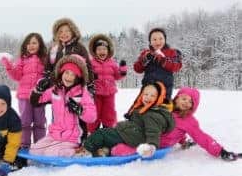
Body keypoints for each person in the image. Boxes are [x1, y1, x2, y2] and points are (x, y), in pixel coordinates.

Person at [111, 87, 240, 161]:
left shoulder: (189, 121)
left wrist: (221, 151)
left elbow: (202, 138)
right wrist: (183, 141)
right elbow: (175, 129)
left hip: (155, 143)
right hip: (144, 132)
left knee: (120, 149)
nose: (186, 103)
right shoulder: (165, 109)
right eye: (184, 99)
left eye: (191, 102)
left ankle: (110, 150)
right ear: (177, 98)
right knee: (120, 130)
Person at [76, 81, 175, 157]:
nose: (148, 97)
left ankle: (86, 150)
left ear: (159, 98)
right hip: (130, 134)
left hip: (129, 136)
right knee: (108, 138)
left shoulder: (153, 115)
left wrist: (152, 146)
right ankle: (104, 151)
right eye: (145, 94)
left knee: (101, 133)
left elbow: (153, 132)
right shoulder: (146, 109)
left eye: (152, 95)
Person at [29, 54, 96, 157]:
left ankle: (79, 152)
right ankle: (57, 148)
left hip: (74, 137)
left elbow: (92, 117)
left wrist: (80, 110)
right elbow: (36, 102)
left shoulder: (82, 93)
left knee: (51, 153)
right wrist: (38, 90)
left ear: (78, 77)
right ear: (61, 73)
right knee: (34, 151)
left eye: (73, 74)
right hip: (55, 134)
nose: (69, 77)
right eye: (67, 73)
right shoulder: (56, 90)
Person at [0, 32, 48, 148]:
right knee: (24, 122)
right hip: (24, 96)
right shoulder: (23, 59)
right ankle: (24, 145)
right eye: (28, 43)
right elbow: (17, 76)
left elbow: (49, 75)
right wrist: (8, 66)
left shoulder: (45, 59)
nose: (31, 46)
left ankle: (40, 145)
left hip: (39, 96)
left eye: (34, 43)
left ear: (40, 45)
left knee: (39, 122)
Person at [86, 34, 127, 133]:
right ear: (95, 51)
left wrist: (122, 70)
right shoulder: (91, 63)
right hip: (96, 94)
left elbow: (117, 76)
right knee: (95, 112)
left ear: (108, 51)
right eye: (99, 49)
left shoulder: (112, 63)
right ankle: (93, 132)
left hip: (109, 93)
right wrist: (91, 77)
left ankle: (108, 131)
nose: (102, 51)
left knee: (109, 113)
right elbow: (86, 76)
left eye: (104, 49)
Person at [45, 17, 95, 95]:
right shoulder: (53, 49)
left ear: (73, 32)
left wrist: (90, 85)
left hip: (76, 89)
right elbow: (48, 69)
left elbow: (88, 67)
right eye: (60, 32)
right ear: (56, 34)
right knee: (58, 107)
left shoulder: (79, 47)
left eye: (67, 31)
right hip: (57, 89)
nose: (64, 34)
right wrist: (49, 82)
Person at [133, 28, 182, 100]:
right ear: (150, 42)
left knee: (162, 109)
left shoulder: (172, 52)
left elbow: (177, 66)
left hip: (165, 88)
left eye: (160, 38)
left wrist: (163, 60)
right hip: (147, 89)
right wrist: (145, 59)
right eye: (154, 39)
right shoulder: (146, 53)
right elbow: (137, 68)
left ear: (165, 39)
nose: (157, 42)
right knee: (142, 109)